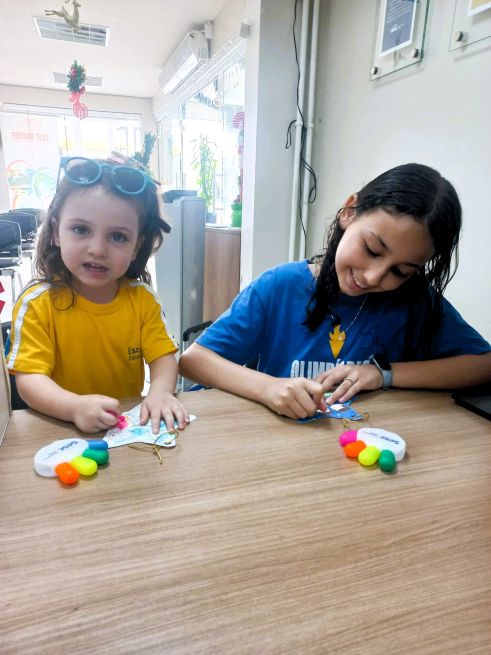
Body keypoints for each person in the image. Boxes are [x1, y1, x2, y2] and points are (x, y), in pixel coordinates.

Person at [179, 163, 491, 419]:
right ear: (349, 212)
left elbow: (483, 364)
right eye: (372, 249)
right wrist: (268, 388)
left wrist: (383, 374)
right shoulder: (280, 286)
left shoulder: (416, 301)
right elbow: (194, 360)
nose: (373, 277)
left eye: (400, 271)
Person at [7, 156, 189, 434]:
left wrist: (161, 392)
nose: (98, 249)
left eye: (117, 237)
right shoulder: (37, 303)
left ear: (136, 246)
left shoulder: (143, 300)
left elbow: (163, 357)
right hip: (58, 431)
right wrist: (73, 407)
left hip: (122, 431)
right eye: (81, 229)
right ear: (56, 232)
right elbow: (29, 380)